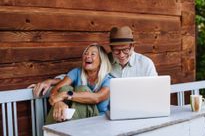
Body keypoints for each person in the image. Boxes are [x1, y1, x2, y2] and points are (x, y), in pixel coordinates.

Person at [28, 26, 158, 97]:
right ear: (111, 49)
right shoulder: (106, 60)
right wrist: (50, 81)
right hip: (110, 113)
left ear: (133, 47)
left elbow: (156, 91)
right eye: (117, 51)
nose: (122, 55)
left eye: (125, 50)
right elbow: (81, 73)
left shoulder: (146, 64)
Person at [45, 43, 112, 124]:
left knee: (82, 89)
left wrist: (65, 95)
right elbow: (55, 90)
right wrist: (59, 102)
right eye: (85, 53)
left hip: (97, 122)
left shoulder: (108, 80)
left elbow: (97, 98)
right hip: (75, 118)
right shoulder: (76, 72)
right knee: (65, 88)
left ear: (101, 60)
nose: (87, 56)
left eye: (93, 54)